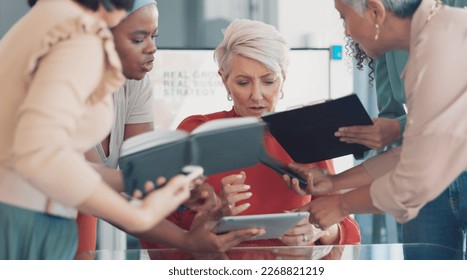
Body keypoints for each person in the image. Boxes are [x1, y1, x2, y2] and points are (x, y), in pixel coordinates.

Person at [284, 0, 467, 260]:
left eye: (343, 18)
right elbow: (415, 153)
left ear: (376, 11)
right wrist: (335, 183)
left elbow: (415, 182)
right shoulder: (440, 34)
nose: (347, 32)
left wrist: (340, 205)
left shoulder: (439, 52)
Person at [140, 19, 361, 257]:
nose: (257, 95)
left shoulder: (306, 132)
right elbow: (155, 232)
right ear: (224, 79)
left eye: (268, 81)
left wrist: (322, 232)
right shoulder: (196, 132)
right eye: (243, 82)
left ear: (283, 77)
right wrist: (209, 217)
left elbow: (348, 231)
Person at [0, 0, 195, 260]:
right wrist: (139, 215)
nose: (151, 48)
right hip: (27, 221)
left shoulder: (49, 19)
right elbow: (39, 154)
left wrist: (142, 182)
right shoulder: (81, 36)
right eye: (137, 38)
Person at [76, 0, 264, 256]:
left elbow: (143, 175)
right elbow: (90, 186)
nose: (152, 49)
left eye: (154, 36)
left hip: (83, 211)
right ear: (101, 36)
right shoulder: (67, 88)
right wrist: (184, 237)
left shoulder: (134, 84)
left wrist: (182, 192)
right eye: (138, 39)